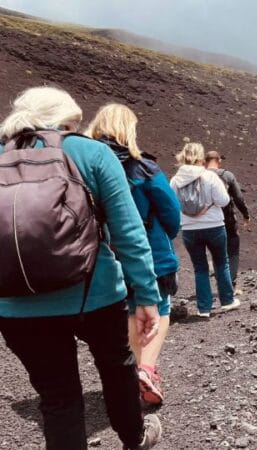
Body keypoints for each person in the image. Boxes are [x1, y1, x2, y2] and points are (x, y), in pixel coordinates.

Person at [0, 87, 162, 449]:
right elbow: (129, 232)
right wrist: (147, 296)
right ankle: (134, 437)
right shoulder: (90, 152)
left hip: (13, 305)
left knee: (58, 397)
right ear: (68, 121)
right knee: (116, 366)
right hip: (95, 293)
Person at [85, 103, 181, 407]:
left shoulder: (81, 166)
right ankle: (146, 369)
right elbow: (172, 214)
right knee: (159, 309)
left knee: (129, 310)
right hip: (150, 252)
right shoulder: (145, 168)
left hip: (101, 256)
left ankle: (137, 372)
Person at [170, 142, 240, 317]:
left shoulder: (175, 180)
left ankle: (203, 308)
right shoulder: (209, 177)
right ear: (200, 157)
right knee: (221, 262)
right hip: (214, 225)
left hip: (189, 229)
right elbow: (224, 201)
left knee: (199, 268)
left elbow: (173, 204)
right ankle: (227, 301)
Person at [205, 150, 250, 294]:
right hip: (227, 219)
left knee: (216, 251)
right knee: (232, 251)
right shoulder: (227, 176)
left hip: (205, 220)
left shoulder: (199, 176)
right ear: (219, 161)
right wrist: (246, 214)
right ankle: (230, 284)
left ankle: (220, 282)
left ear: (205, 161)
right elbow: (238, 198)